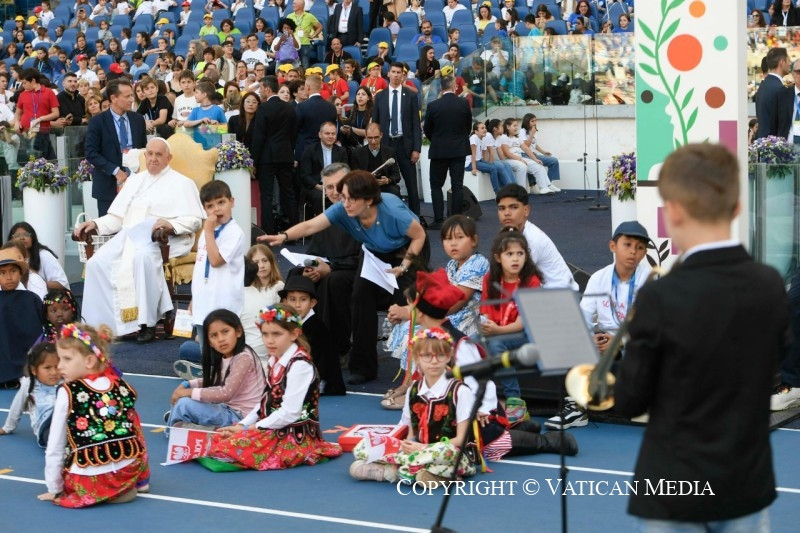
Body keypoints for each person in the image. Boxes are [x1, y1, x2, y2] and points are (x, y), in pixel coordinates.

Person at [612, 143, 788, 530]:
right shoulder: (771, 284)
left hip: (674, 485)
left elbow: (629, 399)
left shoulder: (660, 296)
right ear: (737, 207)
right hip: (746, 481)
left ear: (673, 211)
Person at [260, 170, 428, 385]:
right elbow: (311, 225)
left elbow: (419, 235)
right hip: (373, 252)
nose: (345, 203)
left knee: (408, 299)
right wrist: (284, 236)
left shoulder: (392, 210)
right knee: (360, 296)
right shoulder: (342, 208)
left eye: (351, 199)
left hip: (408, 250)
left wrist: (403, 266)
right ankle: (363, 367)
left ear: (368, 200)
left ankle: (419, 366)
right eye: (344, 197)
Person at [75, 138, 205, 342]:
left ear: (169, 158)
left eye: (159, 155)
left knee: (142, 258)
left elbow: (195, 220)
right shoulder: (134, 181)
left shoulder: (183, 183)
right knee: (95, 264)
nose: (153, 158)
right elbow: (117, 218)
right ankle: (105, 324)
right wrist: (95, 224)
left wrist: (170, 224)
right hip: (129, 239)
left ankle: (147, 323)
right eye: (150, 154)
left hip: (165, 240)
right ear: (145, 156)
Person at [205, 304, 343, 470]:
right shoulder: (274, 360)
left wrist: (251, 428)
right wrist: (241, 426)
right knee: (220, 439)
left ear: (294, 334)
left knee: (224, 450)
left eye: (277, 334)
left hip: (293, 436)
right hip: (273, 428)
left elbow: (290, 413)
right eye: (265, 334)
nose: (269, 340)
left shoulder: (299, 365)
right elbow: (264, 401)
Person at [547, 220, 653, 431]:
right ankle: (576, 409)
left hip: (633, 342)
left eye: (640, 247)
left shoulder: (650, 280)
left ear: (644, 253)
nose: (633, 252)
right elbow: (583, 318)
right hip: (604, 339)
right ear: (613, 246)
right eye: (627, 245)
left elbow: (650, 328)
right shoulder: (598, 278)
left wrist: (620, 342)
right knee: (573, 340)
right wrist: (589, 340)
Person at [39, 323, 150, 506]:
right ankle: (131, 485)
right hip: (126, 474)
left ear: (89, 361)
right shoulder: (121, 386)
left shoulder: (68, 391)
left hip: (89, 481)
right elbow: (138, 436)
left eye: (67, 359)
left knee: (68, 455)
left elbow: (55, 445)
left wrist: (55, 488)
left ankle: (98, 492)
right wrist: (142, 480)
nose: (59, 366)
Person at [383, 216, 489, 407]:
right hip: (449, 314)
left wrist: (410, 312)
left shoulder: (478, 262)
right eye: (448, 239)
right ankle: (409, 382)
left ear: (474, 240)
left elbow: (456, 302)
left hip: (467, 318)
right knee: (407, 327)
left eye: (459, 237)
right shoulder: (451, 265)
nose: (453, 243)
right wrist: (408, 311)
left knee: (421, 332)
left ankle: (417, 387)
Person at [349, 327, 476, 485]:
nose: (434, 361)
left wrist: (423, 448)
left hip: (450, 452)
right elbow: (411, 433)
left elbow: (462, 439)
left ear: (449, 356)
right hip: (418, 450)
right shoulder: (414, 390)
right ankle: (419, 471)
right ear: (417, 358)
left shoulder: (460, 391)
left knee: (445, 452)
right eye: (427, 356)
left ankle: (395, 471)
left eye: (440, 355)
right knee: (363, 445)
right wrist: (408, 446)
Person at [288, 163, 360, 364]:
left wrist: (330, 269)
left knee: (333, 281)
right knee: (296, 275)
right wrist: (311, 268)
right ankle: (296, 339)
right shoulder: (326, 216)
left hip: (355, 271)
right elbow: (315, 253)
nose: (334, 192)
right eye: (329, 187)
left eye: (339, 185)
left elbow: (363, 256)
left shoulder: (360, 213)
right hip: (329, 268)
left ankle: (336, 347)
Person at [479, 228, 543, 424]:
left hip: (527, 334)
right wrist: (487, 325)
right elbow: (484, 310)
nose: (515, 259)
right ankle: (473, 399)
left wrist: (496, 331)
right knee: (467, 343)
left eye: (520, 253)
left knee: (497, 345)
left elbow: (522, 323)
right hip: (497, 331)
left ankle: (515, 402)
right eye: (509, 254)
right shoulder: (490, 279)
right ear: (498, 257)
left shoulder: (531, 282)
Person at [168, 310, 266, 430]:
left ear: (238, 331)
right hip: (229, 410)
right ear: (210, 342)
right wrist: (188, 384)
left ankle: (176, 427)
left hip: (241, 418)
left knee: (184, 404)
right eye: (214, 335)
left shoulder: (243, 357)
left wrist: (189, 392)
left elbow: (225, 394)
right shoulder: (227, 355)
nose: (221, 339)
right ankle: (184, 419)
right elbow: (217, 380)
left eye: (225, 332)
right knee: (183, 402)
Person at [190, 180, 246, 341]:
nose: (217, 209)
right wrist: (195, 298)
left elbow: (215, 261)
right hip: (204, 303)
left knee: (222, 350)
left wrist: (208, 231)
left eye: (221, 202)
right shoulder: (207, 232)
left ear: (232, 202)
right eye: (210, 206)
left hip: (223, 304)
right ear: (205, 209)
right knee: (205, 351)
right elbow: (201, 267)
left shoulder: (234, 232)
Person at [495, 184, 577, 290]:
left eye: (513, 207)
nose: (506, 213)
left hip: (561, 295)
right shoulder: (511, 233)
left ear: (526, 210)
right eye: (502, 208)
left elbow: (514, 277)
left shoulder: (532, 239)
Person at [85, 79, 148, 216]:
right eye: (127, 96)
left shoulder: (138, 119)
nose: (132, 99)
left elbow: (143, 149)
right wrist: (115, 171)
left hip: (136, 186)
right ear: (113, 98)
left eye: (132, 95)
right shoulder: (97, 122)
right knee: (108, 226)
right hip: (108, 186)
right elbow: (91, 153)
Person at [279, 276, 345, 395]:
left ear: (312, 303)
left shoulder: (316, 329)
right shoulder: (290, 323)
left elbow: (319, 366)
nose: (297, 305)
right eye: (292, 299)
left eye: (303, 299)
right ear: (285, 302)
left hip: (317, 383)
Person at [372, 62, 422, 215]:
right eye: (393, 72)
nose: (396, 75)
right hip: (386, 145)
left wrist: (416, 149)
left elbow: (416, 124)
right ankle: (384, 216)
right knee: (384, 183)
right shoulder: (380, 96)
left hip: (405, 145)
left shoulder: (411, 96)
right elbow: (375, 123)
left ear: (403, 75)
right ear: (388, 74)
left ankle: (415, 217)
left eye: (399, 72)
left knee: (411, 185)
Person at [424, 76, 472, 229]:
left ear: (441, 88)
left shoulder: (433, 106)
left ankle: (439, 220)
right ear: (454, 87)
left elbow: (427, 129)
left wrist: (436, 140)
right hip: (459, 149)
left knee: (436, 185)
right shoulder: (463, 103)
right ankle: (456, 219)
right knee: (457, 185)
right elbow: (468, 127)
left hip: (439, 150)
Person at [0, 247, 45, 389]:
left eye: (13, 271)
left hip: (29, 360)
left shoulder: (32, 299)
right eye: (3, 273)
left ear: (20, 273)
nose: (8, 277)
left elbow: (45, 326)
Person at [0, 342, 60, 447]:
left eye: (57, 366)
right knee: (54, 437)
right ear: (34, 370)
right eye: (47, 367)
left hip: (65, 422)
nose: (54, 372)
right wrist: (7, 428)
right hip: (46, 427)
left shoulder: (66, 383)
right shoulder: (29, 385)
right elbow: (16, 406)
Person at [300, 121, 349, 216]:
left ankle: (341, 222)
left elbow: (345, 173)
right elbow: (305, 175)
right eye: (327, 133)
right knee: (319, 197)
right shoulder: (310, 150)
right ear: (320, 134)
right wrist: (319, 187)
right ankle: (322, 223)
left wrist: (335, 187)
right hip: (316, 186)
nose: (330, 136)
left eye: (333, 134)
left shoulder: (341, 151)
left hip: (336, 186)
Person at [499, 117, 556, 194]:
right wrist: (520, 159)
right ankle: (521, 191)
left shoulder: (517, 137)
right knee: (522, 167)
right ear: (508, 127)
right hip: (509, 159)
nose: (516, 128)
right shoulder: (504, 137)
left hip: (519, 158)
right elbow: (507, 153)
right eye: (514, 126)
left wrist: (535, 159)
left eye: (517, 125)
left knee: (538, 166)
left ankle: (544, 188)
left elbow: (526, 148)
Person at [7, 222, 69, 290]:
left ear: (33, 237)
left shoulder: (44, 255)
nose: (22, 238)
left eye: (26, 234)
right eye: (17, 235)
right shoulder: (7, 258)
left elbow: (62, 284)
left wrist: (37, 283)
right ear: (11, 240)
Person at [14, 70, 59, 162]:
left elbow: (56, 113)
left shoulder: (49, 92)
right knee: (26, 161)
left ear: (33, 81)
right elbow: (18, 112)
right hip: (25, 133)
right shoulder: (22, 94)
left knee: (43, 160)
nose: (23, 85)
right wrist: (16, 122)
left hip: (42, 132)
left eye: (25, 83)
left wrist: (40, 119)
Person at [350, 122, 402, 198]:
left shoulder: (390, 152)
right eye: (370, 138)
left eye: (376, 137)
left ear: (381, 135)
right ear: (366, 136)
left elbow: (396, 175)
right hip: (365, 187)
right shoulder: (357, 153)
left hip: (385, 186)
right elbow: (354, 176)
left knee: (395, 191)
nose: (373, 141)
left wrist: (388, 180)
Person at [294, 74, 337, 161]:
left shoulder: (301, 107)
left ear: (308, 87)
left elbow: (295, 129)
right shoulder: (331, 107)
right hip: (325, 152)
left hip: (304, 152)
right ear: (321, 87)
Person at [754, 47, 792, 140]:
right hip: (774, 143)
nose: (790, 63)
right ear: (782, 62)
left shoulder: (763, 86)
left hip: (763, 142)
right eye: (788, 60)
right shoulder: (780, 89)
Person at [468, 121, 513, 193]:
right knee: (493, 168)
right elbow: (473, 154)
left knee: (495, 166)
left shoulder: (482, 138)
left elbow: (483, 154)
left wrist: (487, 163)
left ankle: (511, 187)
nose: (485, 129)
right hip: (470, 163)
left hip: (478, 161)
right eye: (482, 128)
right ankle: (497, 192)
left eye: (485, 128)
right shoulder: (474, 137)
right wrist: (474, 169)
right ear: (476, 131)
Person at [183, 81, 227, 149]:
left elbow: (226, 129)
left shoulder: (217, 110)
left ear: (204, 95)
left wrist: (217, 125)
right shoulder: (196, 110)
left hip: (214, 149)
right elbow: (186, 124)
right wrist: (201, 120)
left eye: (196, 92)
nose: (194, 95)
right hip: (199, 148)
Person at [520, 113, 561, 187]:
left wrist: (543, 152)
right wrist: (532, 134)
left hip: (534, 154)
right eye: (532, 121)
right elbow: (526, 146)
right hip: (526, 155)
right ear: (527, 122)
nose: (534, 123)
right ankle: (536, 185)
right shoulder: (522, 131)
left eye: (535, 120)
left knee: (554, 161)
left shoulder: (533, 131)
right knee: (538, 164)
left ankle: (548, 184)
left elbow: (534, 145)